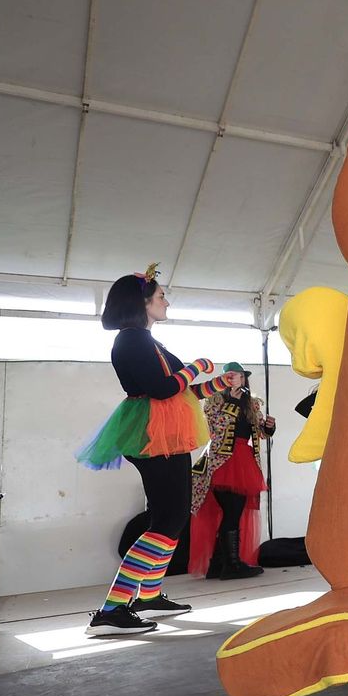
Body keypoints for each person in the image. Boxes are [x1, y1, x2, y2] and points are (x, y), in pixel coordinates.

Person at [75, 265, 226, 636]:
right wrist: (195, 367)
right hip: (154, 435)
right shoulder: (132, 340)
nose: (167, 302)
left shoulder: (145, 341)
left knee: (170, 517)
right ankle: (113, 608)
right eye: (161, 296)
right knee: (167, 519)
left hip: (164, 433)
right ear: (142, 302)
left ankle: (149, 594)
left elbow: (179, 392)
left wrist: (215, 383)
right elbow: (161, 389)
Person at [188, 362, 274, 580]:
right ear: (224, 380)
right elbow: (216, 429)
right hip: (222, 462)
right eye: (232, 377)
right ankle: (232, 565)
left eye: (241, 377)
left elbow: (260, 433)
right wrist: (233, 402)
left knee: (232, 512)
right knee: (233, 511)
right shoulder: (213, 401)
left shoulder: (253, 404)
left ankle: (218, 564)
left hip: (244, 460)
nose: (237, 380)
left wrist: (269, 428)